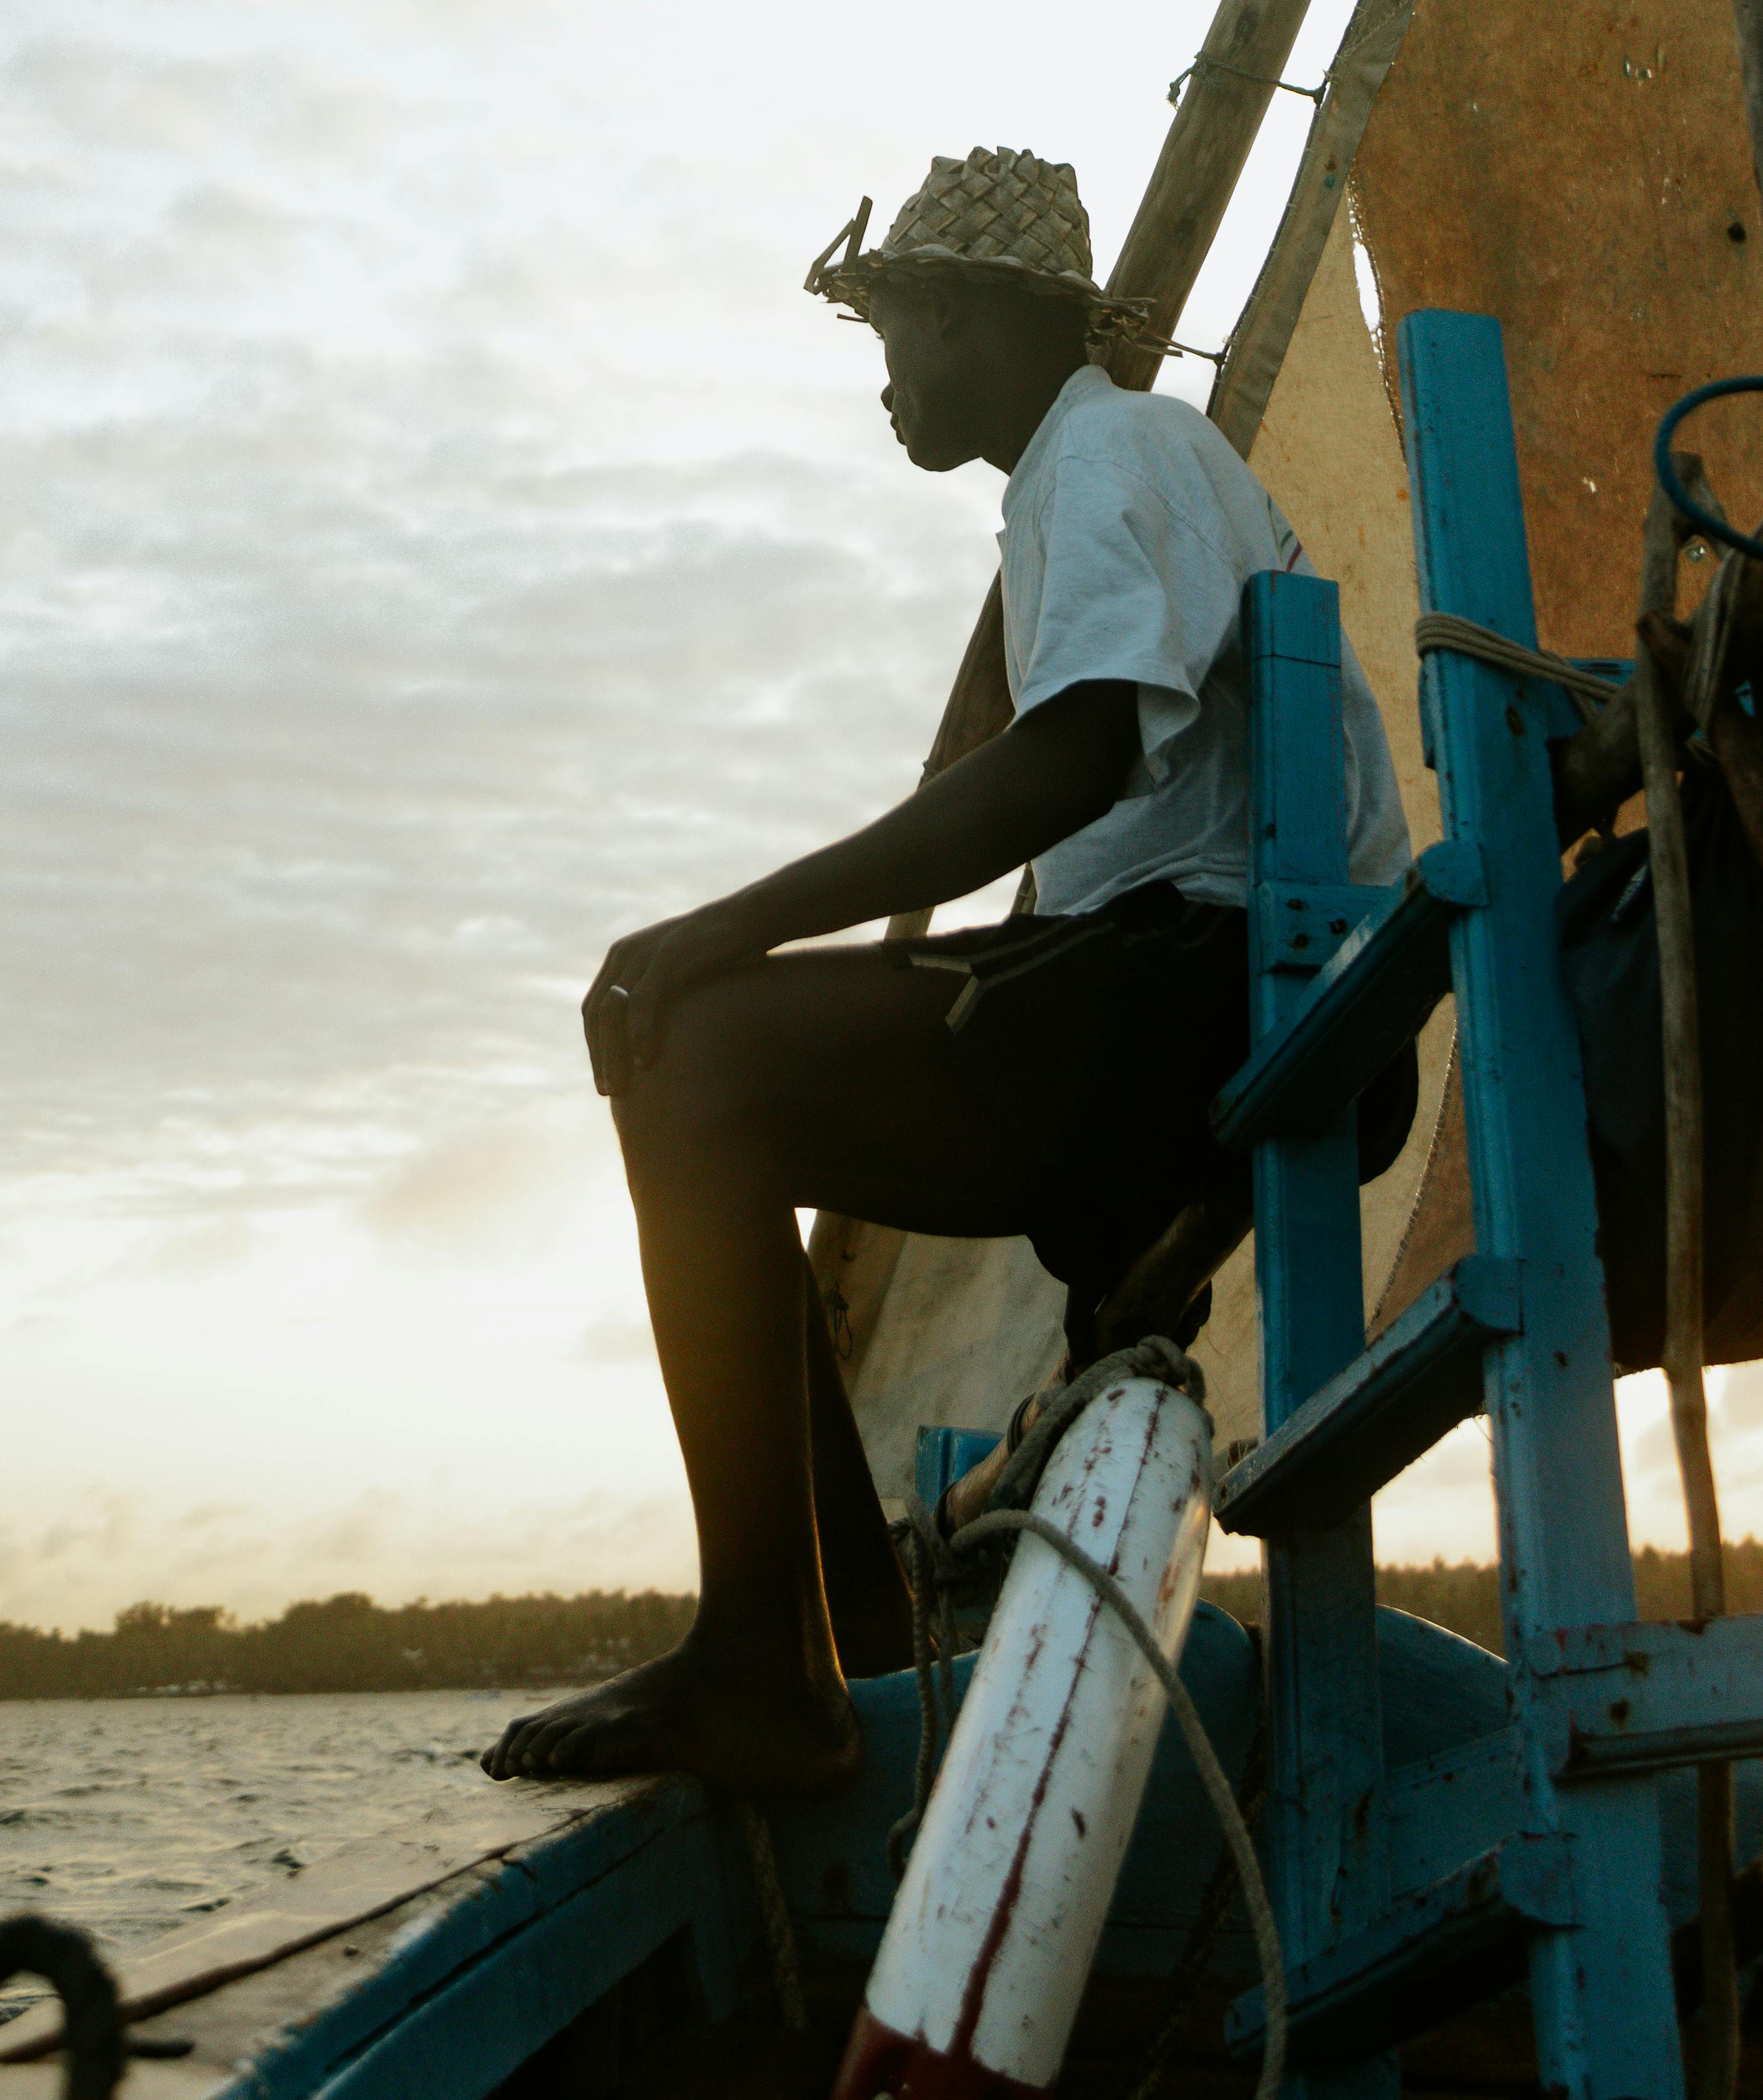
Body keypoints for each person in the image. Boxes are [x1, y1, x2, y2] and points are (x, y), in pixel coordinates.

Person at [482, 146, 1411, 1792]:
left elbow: (1066, 763)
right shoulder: (1112, 469)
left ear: (987, 318)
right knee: (725, 1065)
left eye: (903, 332)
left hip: (1212, 990)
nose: (891, 381)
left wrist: (729, 923)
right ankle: (824, 1637)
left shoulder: (1104, 451)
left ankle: (775, 1660)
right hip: (1224, 984)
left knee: (695, 1048)